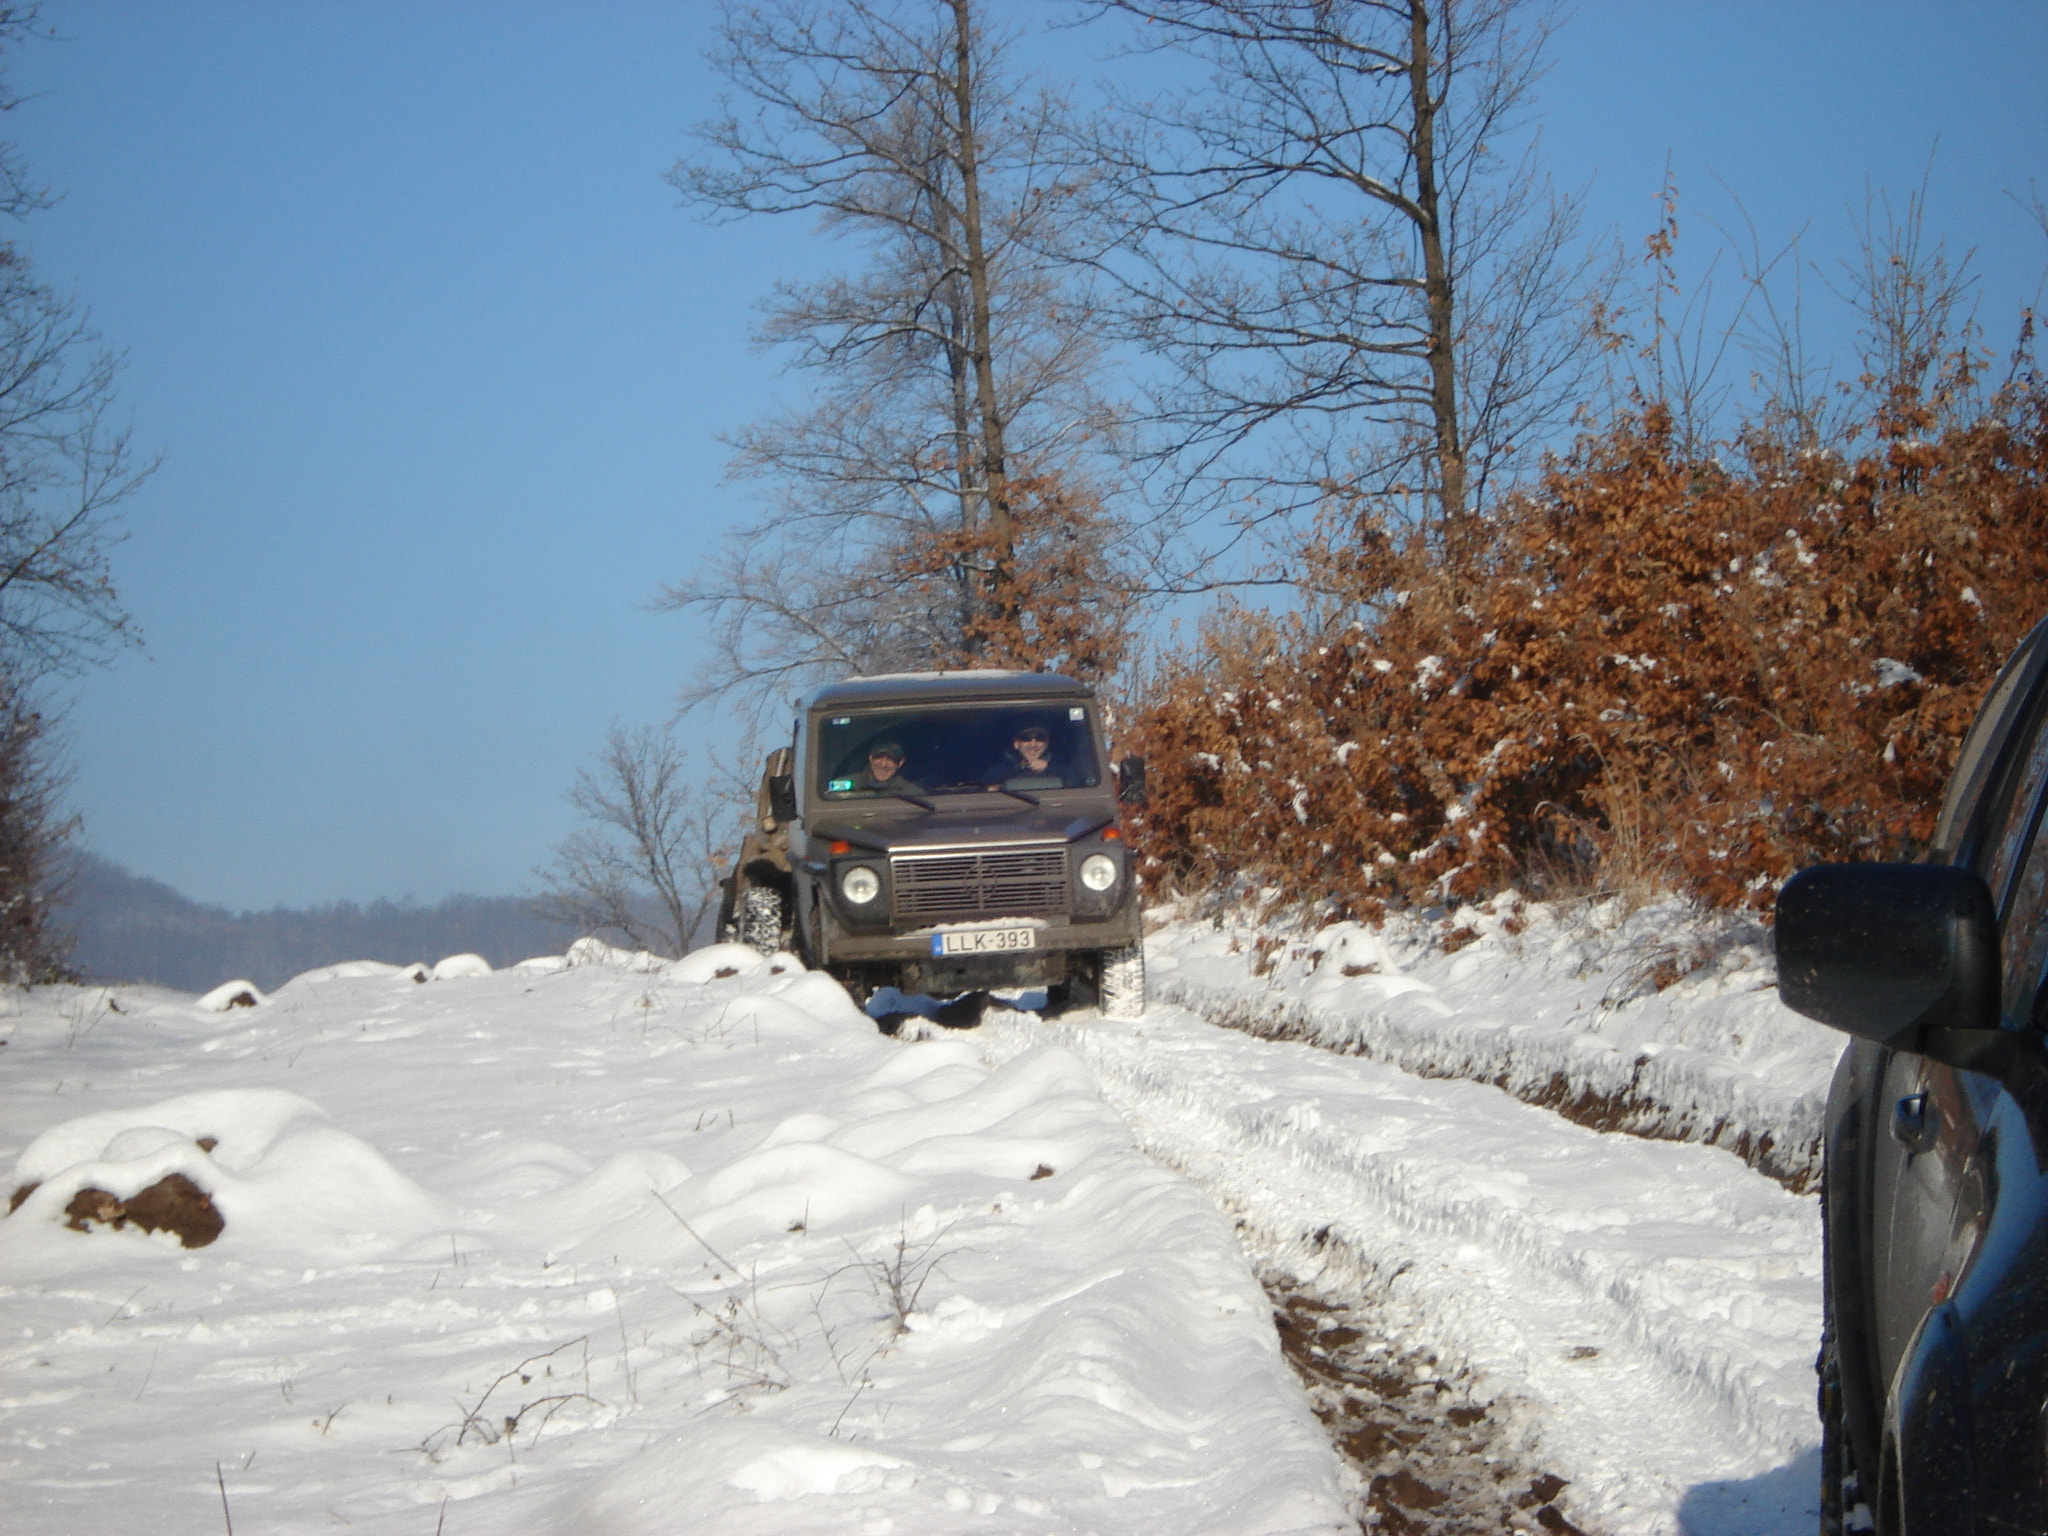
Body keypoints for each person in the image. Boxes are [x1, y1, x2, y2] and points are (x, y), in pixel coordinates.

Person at [981, 721, 1065, 789]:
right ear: (1016, 744)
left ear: (1046, 744)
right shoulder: (997, 772)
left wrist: (1049, 768)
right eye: (1026, 738)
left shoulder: (1062, 769)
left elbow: (1073, 784)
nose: (1033, 744)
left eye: (1040, 738)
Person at [852, 740, 923, 794]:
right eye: (879, 757)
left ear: (900, 763)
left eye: (891, 759)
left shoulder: (913, 793)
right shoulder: (849, 785)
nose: (883, 764)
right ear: (870, 758)